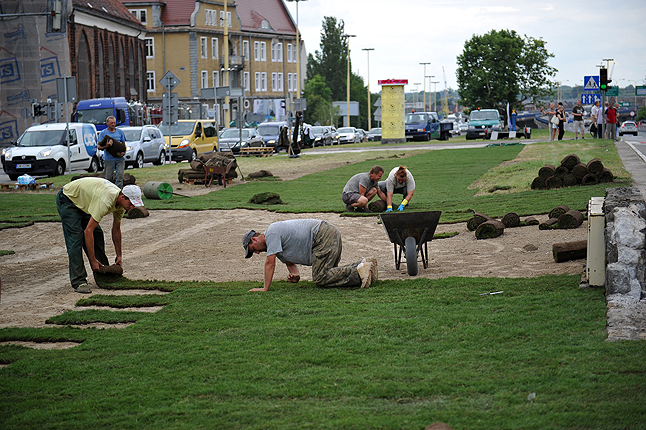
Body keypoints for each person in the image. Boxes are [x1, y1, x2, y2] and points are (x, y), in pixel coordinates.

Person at [243, 219, 377, 291]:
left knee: (320, 277)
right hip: (327, 232)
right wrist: (295, 276)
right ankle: (364, 264)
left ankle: (360, 271)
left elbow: (269, 263)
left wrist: (265, 288)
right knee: (329, 273)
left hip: (323, 234)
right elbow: (290, 264)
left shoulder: (271, 233)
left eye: (253, 249)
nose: (257, 253)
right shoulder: (277, 249)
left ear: (254, 239)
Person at [56, 177, 137, 293]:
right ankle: (79, 281)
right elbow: (87, 232)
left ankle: (104, 272)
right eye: (131, 203)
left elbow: (116, 230)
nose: (133, 207)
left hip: (84, 201)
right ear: (123, 197)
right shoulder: (105, 201)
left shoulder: (122, 205)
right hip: (68, 198)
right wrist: (92, 259)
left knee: (97, 234)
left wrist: (119, 255)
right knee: (75, 239)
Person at [98, 116, 127, 188]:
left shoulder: (120, 132)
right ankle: (109, 191)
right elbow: (99, 147)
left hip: (120, 159)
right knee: (108, 178)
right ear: (107, 123)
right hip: (109, 159)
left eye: (114, 123)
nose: (113, 124)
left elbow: (124, 145)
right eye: (111, 123)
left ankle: (118, 192)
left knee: (120, 177)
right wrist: (106, 146)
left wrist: (124, 152)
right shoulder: (103, 133)